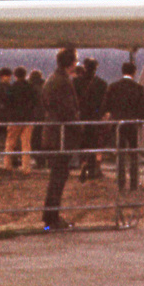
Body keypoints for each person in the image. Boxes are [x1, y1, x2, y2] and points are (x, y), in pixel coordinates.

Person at [41, 48, 79, 231]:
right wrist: (78, 126)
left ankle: (51, 216)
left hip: (54, 134)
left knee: (57, 176)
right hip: (60, 136)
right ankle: (51, 217)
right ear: (71, 63)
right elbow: (67, 110)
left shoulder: (53, 79)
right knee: (58, 177)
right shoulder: (62, 82)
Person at [102, 61, 144, 192]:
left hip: (118, 124)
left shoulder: (113, 87)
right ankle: (134, 183)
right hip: (132, 125)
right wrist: (140, 121)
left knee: (120, 155)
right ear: (134, 72)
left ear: (122, 71)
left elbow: (106, 106)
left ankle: (121, 183)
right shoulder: (138, 88)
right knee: (133, 154)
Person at [74, 58, 108, 181]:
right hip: (95, 117)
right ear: (96, 68)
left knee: (82, 142)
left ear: (84, 66)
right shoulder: (101, 83)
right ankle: (92, 169)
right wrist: (100, 113)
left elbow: (73, 100)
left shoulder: (76, 82)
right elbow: (104, 103)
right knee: (94, 143)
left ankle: (83, 163)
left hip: (81, 116)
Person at [5, 66, 37, 172]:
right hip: (28, 119)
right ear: (25, 74)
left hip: (15, 119)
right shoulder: (30, 86)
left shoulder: (11, 87)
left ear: (15, 75)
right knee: (26, 143)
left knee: (10, 142)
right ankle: (26, 167)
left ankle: (7, 165)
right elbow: (34, 102)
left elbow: (8, 102)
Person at [28, 69, 46, 168]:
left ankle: (39, 161)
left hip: (35, 116)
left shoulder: (31, 87)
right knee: (43, 139)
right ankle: (44, 160)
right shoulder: (45, 85)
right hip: (45, 116)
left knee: (34, 139)